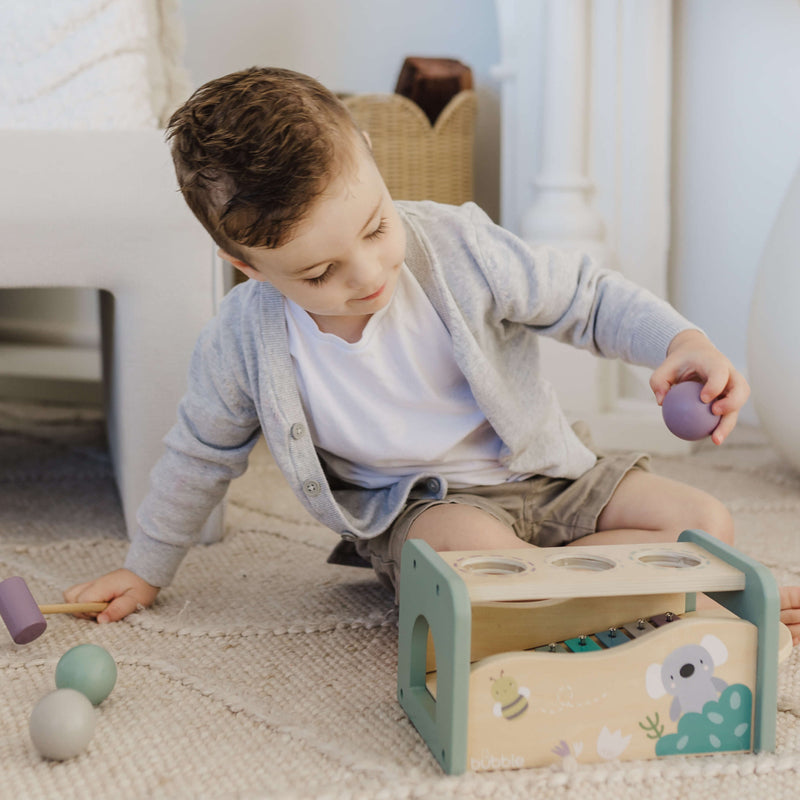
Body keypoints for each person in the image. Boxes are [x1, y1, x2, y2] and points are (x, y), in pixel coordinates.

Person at [64, 66, 800, 643]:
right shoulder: (240, 342)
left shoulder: (458, 246)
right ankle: (644, 597)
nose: (367, 275)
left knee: (707, 522)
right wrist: (145, 568)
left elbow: (586, 299)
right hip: (426, 510)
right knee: (477, 570)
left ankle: (590, 595)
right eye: (320, 275)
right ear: (248, 266)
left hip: (549, 474)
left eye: (375, 226)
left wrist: (681, 342)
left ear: (373, 160)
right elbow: (199, 456)